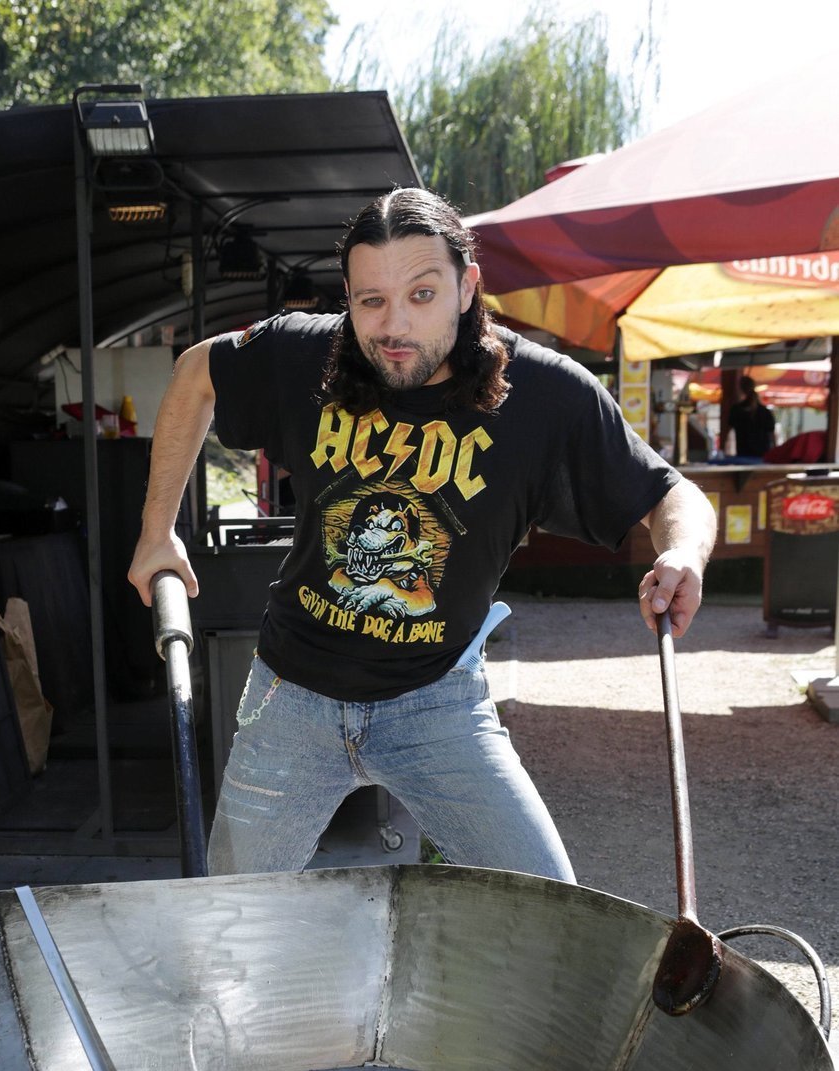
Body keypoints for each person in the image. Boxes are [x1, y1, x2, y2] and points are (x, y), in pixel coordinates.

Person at [128, 187, 715, 881]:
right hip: (294, 694)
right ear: (347, 297)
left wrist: (681, 553)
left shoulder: (547, 397)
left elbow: (670, 492)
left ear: (468, 286)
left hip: (437, 702)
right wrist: (156, 532)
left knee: (550, 903)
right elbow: (196, 372)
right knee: (231, 922)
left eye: (422, 293)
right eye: (370, 300)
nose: (393, 325)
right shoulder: (306, 354)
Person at [726, 375, 775, 458]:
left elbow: (729, 432)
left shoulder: (736, 410)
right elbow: (772, 435)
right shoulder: (765, 412)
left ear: (740, 389)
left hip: (743, 454)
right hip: (763, 455)